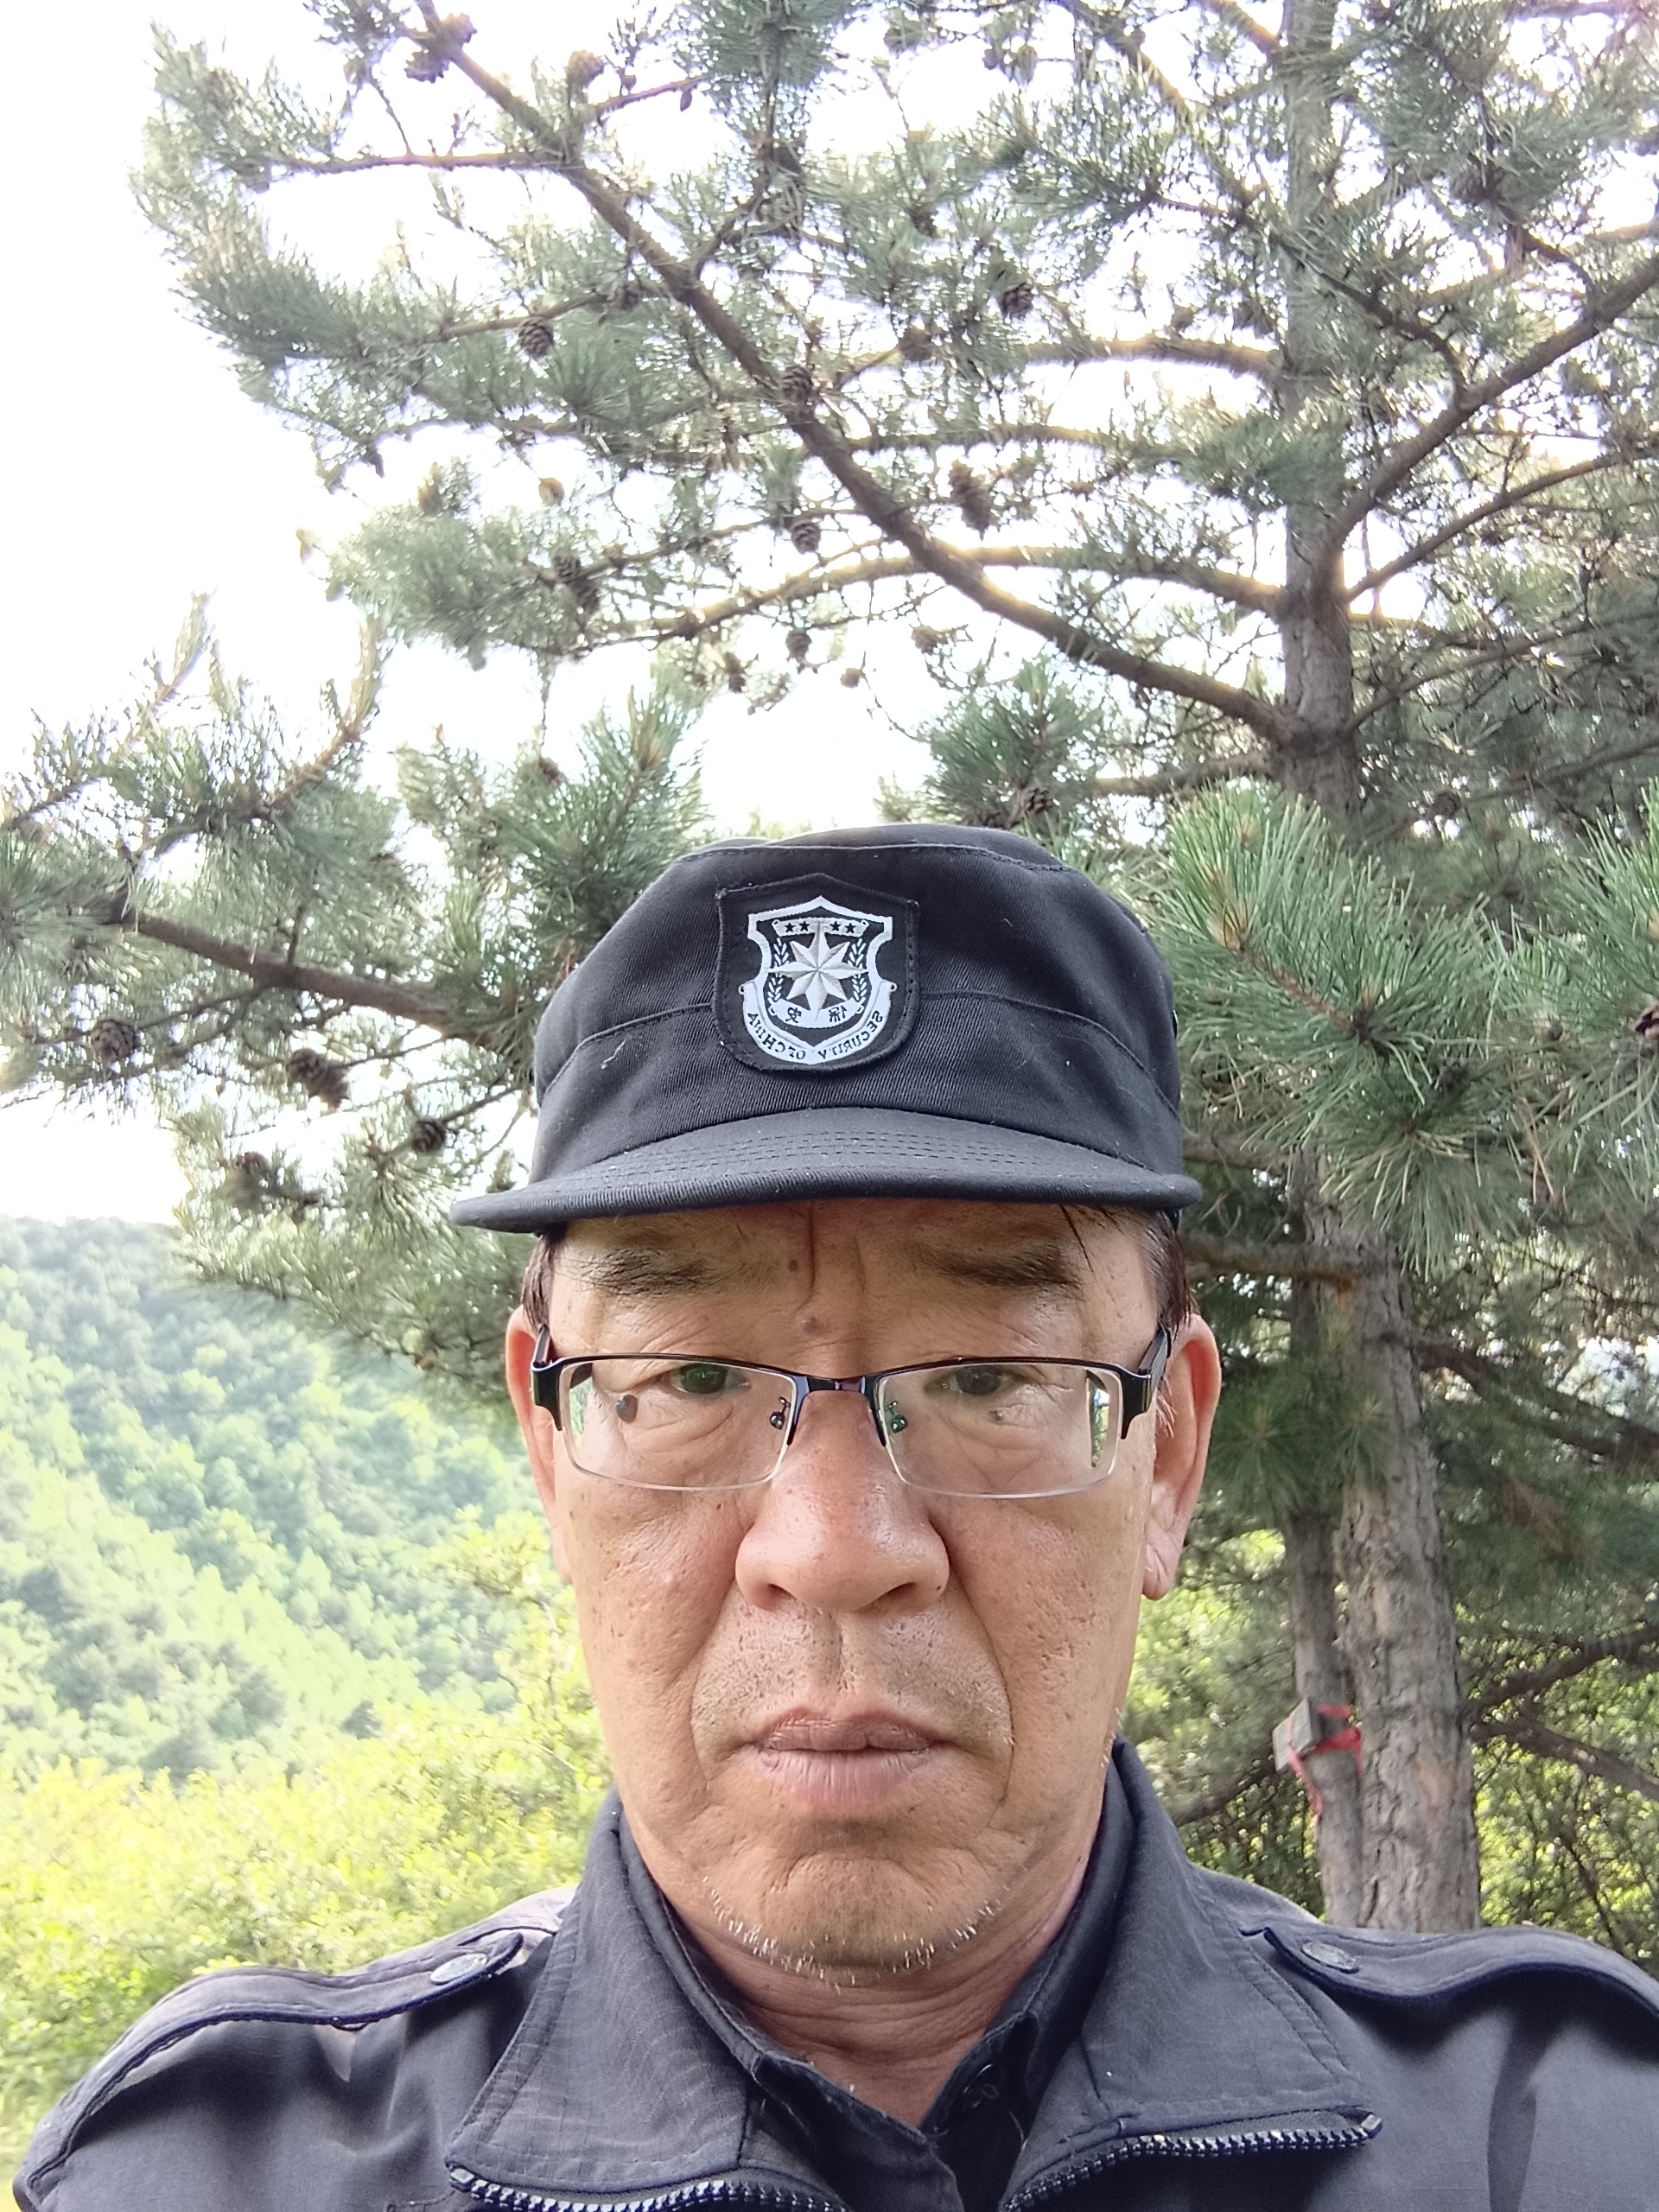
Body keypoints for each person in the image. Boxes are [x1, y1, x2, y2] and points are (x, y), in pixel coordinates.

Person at [17, 826, 1658, 2212]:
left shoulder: (1563, 2141)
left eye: (991, 1377)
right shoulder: (217, 2175)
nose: (832, 1548)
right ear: (551, 1449)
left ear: (1167, 1457)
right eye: (689, 1378)